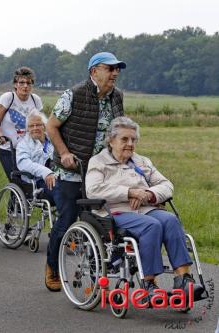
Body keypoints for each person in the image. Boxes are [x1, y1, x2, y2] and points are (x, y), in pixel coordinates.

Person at [85, 116, 204, 301]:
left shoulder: (142, 161)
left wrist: (148, 194)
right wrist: (130, 192)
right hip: (114, 212)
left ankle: (183, 280)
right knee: (152, 226)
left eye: (133, 139)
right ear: (111, 140)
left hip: (145, 208)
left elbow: (166, 185)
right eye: (124, 139)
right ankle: (149, 285)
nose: (130, 144)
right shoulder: (98, 161)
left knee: (171, 220)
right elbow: (93, 190)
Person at [45, 52, 126, 292]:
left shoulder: (117, 97)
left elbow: (118, 130)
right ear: (93, 71)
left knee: (101, 221)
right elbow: (51, 126)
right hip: (71, 170)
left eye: (117, 69)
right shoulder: (73, 95)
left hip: (101, 170)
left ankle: (96, 270)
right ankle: (52, 266)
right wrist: (65, 153)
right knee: (68, 217)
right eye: (109, 69)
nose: (114, 73)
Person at [0, 66, 43, 181]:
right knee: (16, 181)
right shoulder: (8, 98)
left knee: (30, 183)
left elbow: (40, 124)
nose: (25, 86)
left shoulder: (36, 100)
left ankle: (20, 199)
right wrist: (1, 137)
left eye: (29, 83)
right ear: (15, 84)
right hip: (9, 150)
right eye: (22, 82)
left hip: (29, 150)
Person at [16, 109, 55, 202]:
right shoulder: (23, 145)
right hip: (37, 182)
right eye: (31, 126)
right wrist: (45, 172)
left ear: (44, 126)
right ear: (28, 129)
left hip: (57, 177)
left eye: (38, 125)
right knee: (62, 192)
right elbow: (24, 164)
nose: (34, 128)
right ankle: (65, 216)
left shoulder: (52, 141)